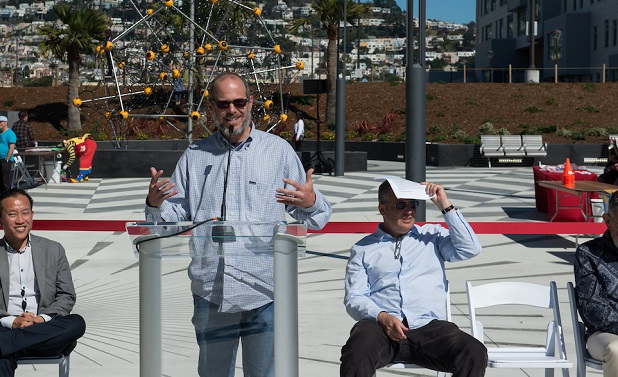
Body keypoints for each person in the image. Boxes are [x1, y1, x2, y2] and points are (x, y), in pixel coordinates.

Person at [146, 71, 331, 377]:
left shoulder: (278, 152)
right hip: (211, 291)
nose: (231, 110)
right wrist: (155, 204)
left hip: (266, 290)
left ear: (251, 102)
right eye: (223, 103)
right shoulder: (195, 156)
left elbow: (317, 218)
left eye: (239, 101)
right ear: (212, 107)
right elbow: (171, 219)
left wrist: (310, 202)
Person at [340, 178, 487, 377]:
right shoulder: (363, 248)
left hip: (429, 328)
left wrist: (444, 204)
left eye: (413, 204)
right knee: (357, 349)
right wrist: (381, 316)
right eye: (400, 205)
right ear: (382, 209)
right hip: (381, 327)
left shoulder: (432, 235)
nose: (408, 210)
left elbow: (470, 248)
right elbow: (354, 297)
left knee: (473, 351)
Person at [0, 188, 86, 376]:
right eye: (12, 214)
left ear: (32, 214)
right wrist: (12, 322)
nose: (21, 220)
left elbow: (66, 296)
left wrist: (40, 319)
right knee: (1, 353)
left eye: (25, 213)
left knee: (77, 323)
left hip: (44, 331)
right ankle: (1, 342)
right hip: (4, 328)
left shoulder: (53, 250)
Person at [574, 190, 618, 376]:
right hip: (603, 334)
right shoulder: (589, 254)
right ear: (607, 221)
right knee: (617, 350)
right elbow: (593, 309)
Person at [0, 115, 16, 193]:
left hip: (5, 159)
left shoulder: (10, 133)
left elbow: (11, 147)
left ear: (6, 122)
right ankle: (2, 195)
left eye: (1, 122)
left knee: (6, 180)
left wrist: (7, 158)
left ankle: (7, 196)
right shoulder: (0, 134)